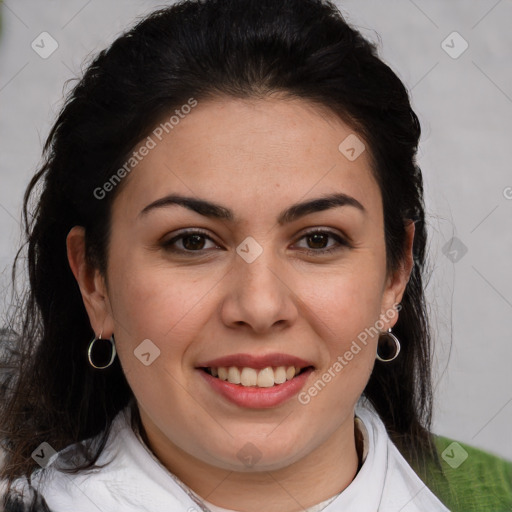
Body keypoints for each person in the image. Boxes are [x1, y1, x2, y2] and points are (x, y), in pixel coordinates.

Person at [1, 0, 511, 511]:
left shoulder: (494, 493)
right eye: (192, 241)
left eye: (318, 240)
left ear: (395, 274)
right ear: (95, 281)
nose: (260, 307)